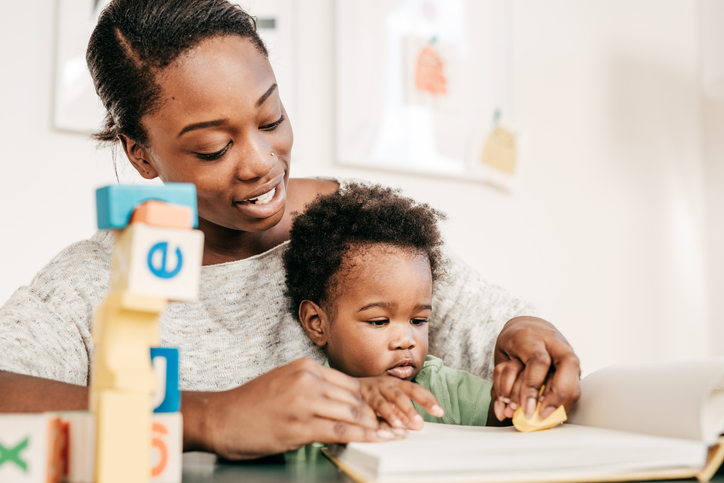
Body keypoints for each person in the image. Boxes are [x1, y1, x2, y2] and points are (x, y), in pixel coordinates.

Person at [0, 0, 580, 460]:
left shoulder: (354, 233)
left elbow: (475, 320)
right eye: (213, 147)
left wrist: (522, 328)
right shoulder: (95, 282)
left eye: (272, 118)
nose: (260, 160)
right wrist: (209, 416)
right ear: (142, 156)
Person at [284, 182, 499, 427]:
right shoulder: (307, 400)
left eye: (418, 320)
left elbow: (513, 412)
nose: (406, 340)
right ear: (317, 323)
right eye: (379, 321)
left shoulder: (443, 390)